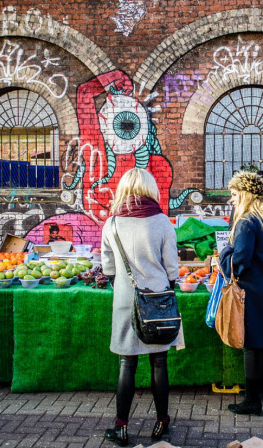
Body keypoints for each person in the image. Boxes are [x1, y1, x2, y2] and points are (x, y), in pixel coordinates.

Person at [101, 168, 181, 446]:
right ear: (151, 189)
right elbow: (172, 268)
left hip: (125, 300)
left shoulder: (111, 223)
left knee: (127, 362)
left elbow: (109, 268)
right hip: (158, 300)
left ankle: (121, 427)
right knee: (159, 361)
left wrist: (124, 285)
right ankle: (162, 423)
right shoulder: (162, 222)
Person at [219, 171, 263, 416]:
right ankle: (257, 394)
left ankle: (252, 401)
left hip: (252, 291)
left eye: (234, 194)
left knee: (251, 346)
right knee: (261, 346)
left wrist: (224, 253)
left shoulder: (246, 222)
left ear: (244, 194)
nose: (232, 199)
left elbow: (240, 260)